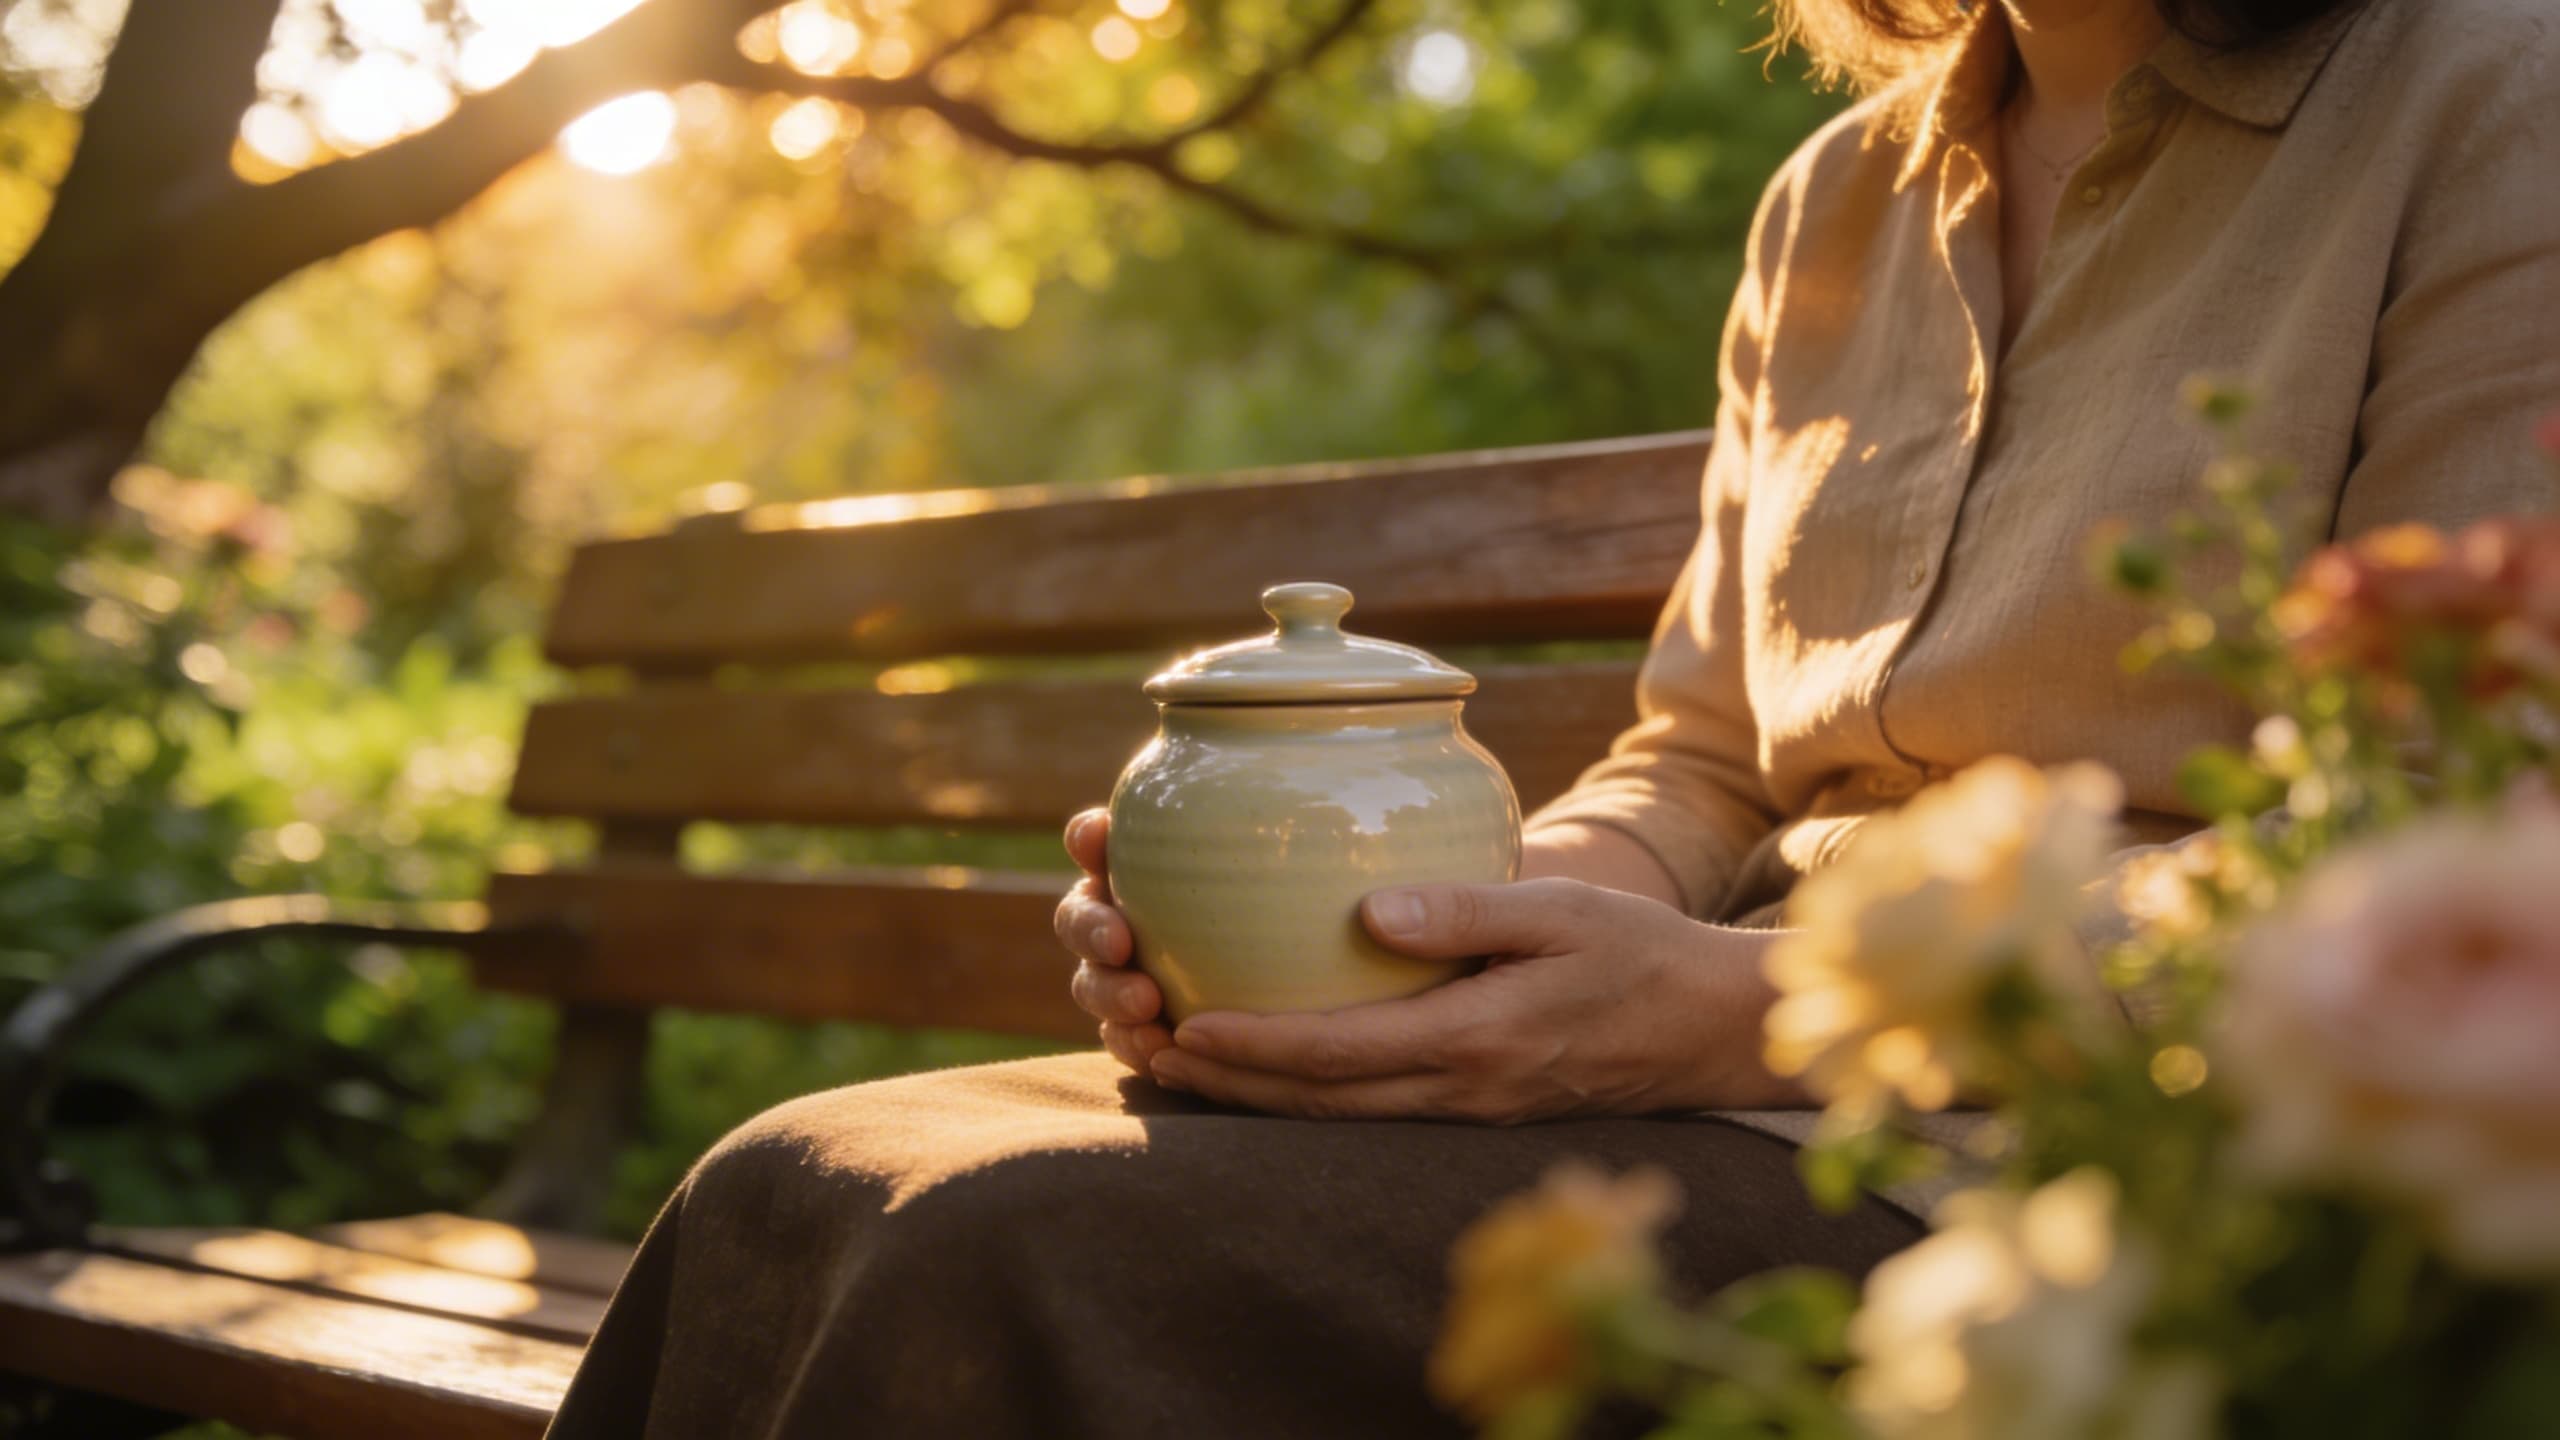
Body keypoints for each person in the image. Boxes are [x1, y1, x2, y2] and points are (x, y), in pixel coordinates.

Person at [546, 0, 2558, 1434]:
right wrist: (1430, 937)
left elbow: (2433, 864)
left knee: (1004, 1254)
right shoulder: (1831, 204)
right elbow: (1693, 755)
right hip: (1701, 1076)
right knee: (791, 1182)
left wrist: (1723, 1007)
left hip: (2075, 1162)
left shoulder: (2491, 92)